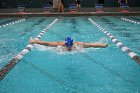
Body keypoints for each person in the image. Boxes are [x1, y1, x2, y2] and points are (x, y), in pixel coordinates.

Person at [30, 37, 108, 51]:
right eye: (68, 45)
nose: (69, 47)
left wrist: (103, 46)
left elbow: (92, 45)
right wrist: (34, 41)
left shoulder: (78, 45)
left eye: (70, 45)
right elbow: (46, 44)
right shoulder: (61, 44)